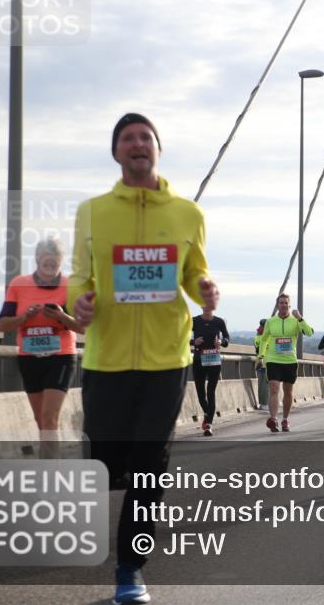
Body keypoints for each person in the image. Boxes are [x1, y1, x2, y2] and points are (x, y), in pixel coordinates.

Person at [69, 112, 220, 604]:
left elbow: (194, 272)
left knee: (150, 464)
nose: (137, 143)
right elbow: (79, 276)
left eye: (145, 137)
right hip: (106, 357)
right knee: (107, 460)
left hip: (166, 358)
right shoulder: (92, 212)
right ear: (116, 152)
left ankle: (130, 569)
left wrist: (204, 288)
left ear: (157, 149)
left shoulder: (187, 213)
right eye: (127, 138)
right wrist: (79, 301)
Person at [0, 236, 82, 437]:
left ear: (61, 262)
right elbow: (2, 325)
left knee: (49, 417)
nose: (50, 269)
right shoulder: (19, 284)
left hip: (60, 357)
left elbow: (82, 327)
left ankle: (49, 459)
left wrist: (61, 315)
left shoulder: (70, 285)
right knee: (40, 420)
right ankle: (51, 457)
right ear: (37, 259)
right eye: (46, 264)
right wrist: (24, 317)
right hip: (29, 357)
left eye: (55, 265)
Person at [258, 293, 313, 432]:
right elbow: (264, 339)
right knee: (274, 388)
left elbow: (309, 332)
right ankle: (273, 419)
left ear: (289, 305)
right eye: (281, 302)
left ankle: (285, 420)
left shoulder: (295, 321)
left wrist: (300, 318)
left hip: (289, 361)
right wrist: (261, 356)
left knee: (288, 391)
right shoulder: (271, 321)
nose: (283, 305)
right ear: (277, 305)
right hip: (273, 360)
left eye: (285, 303)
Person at [190, 308, 229, 435]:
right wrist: (193, 342)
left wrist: (221, 342)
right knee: (201, 393)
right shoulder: (194, 321)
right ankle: (207, 414)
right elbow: (181, 336)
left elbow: (227, 338)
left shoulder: (219, 321)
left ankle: (209, 424)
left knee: (210, 391)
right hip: (199, 360)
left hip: (214, 360)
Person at [254, 318, 268, 410]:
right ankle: (265, 404)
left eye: (261, 326)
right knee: (264, 385)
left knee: (263, 385)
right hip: (265, 364)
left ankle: (264, 404)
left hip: (263, 363)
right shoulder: (268, 337)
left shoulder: (258, 337)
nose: (259, 328)